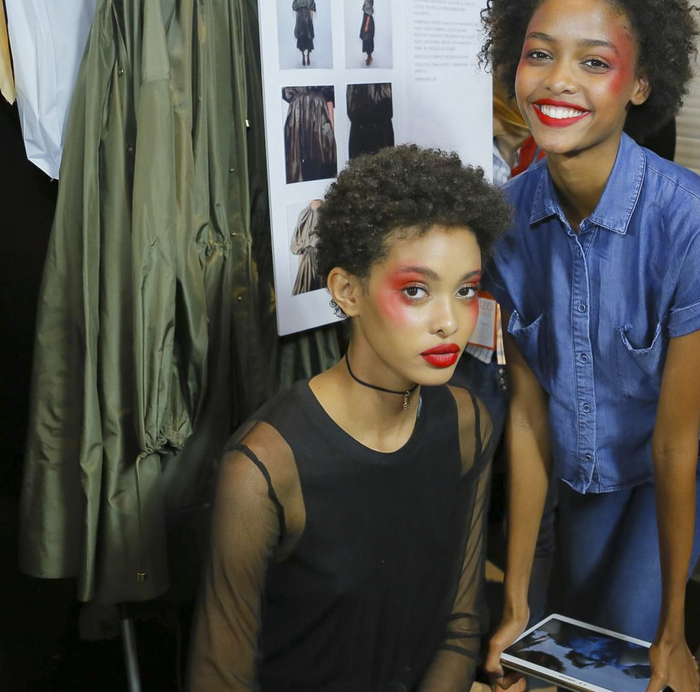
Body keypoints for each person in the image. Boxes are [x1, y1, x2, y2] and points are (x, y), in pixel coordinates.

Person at [482, 0, 700, 692]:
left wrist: (673, 633)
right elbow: (529, 420)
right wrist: (515, 602)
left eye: (593, 62)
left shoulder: (690, 224)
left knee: (623, 658)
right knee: (561, 632)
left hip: (682, 450)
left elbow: (673, 444)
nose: (559, 80)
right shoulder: (510, 220)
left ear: (638, 82)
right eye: (539, 55)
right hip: (585, 449)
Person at [187, 146, 512, 692]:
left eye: (465, 291)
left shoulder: (466, 424)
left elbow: (459, 626)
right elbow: (220, 678)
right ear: (347, 290)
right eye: (416, 290)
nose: (449, 322)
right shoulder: (264, 468)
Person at [292, 0, 315, 65]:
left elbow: (311, 9)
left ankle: (308, 56)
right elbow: (296, 10)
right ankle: (303, 56)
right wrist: (297, 22)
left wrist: (311, 21)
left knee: (308, 37)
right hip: (300, 19)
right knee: (301, 38)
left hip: (307, 19)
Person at [360, 0, 375, 66]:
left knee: (368, 39)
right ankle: (369, 57)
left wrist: (366, 25)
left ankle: (370, 57)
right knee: (366, 39)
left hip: (368, 20)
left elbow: (369, 12)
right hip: (366, 19)